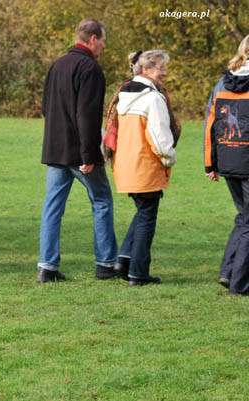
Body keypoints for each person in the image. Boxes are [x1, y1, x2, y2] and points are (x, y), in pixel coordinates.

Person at [37, 18, 117, 283]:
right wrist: (89, 155)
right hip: (79, 152)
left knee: (52, 207)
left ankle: (47, 267)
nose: (104, 45)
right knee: (102, 200)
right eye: (103, 40)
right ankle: (105, 263)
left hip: (55, 150)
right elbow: (87, 116)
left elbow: (46, 108)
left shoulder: (57, 65)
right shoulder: (90, 68)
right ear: (93, 39)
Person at [108, 50, 179, 286]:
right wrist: (169, 158)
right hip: (146, 165)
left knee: (142, 212)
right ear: (146, 69)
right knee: (147, 217)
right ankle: (138, 274)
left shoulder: (123, 95)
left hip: (125, 165)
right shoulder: (153, 98)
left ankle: (124, 260)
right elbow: (160, 138)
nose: (165, 73)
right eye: (161, 68)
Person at [204, 34, 249, 295]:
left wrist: (210, 164)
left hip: (228, 159)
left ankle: (228, 272)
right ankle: (240, 285)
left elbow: (210, 125)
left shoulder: (223, 82)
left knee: (244, 218)